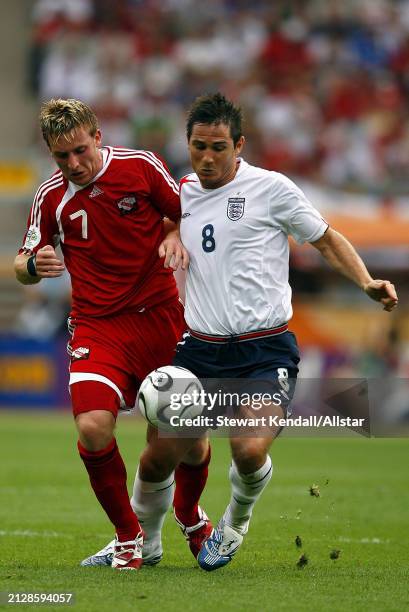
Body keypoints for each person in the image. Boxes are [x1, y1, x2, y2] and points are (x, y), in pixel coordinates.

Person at [83, 92, 398, 571]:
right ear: (187, 144)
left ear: (239, 145)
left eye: (218, 147)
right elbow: (163, 220)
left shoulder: (272, 188)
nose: (207, 157)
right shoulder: (182, 190)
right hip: (198, 353)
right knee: (154, 460)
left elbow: (325, 238)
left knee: (248, 449)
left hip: (264, 348)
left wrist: (366, 281)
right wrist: (170, 232)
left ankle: (234, 521)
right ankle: (141, 544)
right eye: (198, 146)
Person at [14, 98, 212, 571]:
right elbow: (23, 262)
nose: (74, 164)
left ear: (98, 136)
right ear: (50, 153)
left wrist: (172, 233)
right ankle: (130, 537)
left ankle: (189, 515)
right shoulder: (50, 197)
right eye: (62, 157)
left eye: (81, 150)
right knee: (92, 426)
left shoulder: (141, 167)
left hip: (160, 315)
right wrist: (33, 268)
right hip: (98, 326)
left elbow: (187, 213)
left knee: (190, 437)